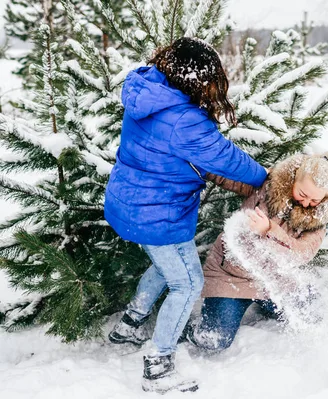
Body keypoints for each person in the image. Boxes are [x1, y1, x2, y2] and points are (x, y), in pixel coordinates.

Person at [103, 37, 268, 394]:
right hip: (157, 214)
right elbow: (227, 158)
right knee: (188, 282)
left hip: (128, 203)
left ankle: (130, 324)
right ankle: (158, 365)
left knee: (165, 267)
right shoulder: (184, 121)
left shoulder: (147, 90)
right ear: (193, 79)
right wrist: (266, 180)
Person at [185, 152, 328, 354]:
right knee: (214, 340)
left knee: (312, 314)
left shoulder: (318, 218)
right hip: (232, 277)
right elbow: (229, 175)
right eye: (303, 194)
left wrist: (269, 230)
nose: (306, 203)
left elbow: (301, 254)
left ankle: (263, 303)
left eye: (314, 200)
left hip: (275, 280)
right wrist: (197, 161)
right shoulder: (268, 185)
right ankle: (190, 328)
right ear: (294, 179)